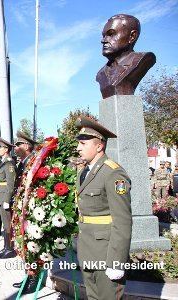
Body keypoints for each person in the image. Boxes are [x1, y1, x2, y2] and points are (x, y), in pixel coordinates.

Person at [75, 116, 132, 300]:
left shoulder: (113, 172)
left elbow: (122, 221)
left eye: (83, 144)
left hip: (106, 253)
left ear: (99, 146)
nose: (78, 148)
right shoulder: (85, 171)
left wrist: (116, 262)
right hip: (88, 249)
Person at [96, 14, 156, 99]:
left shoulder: (144, 59)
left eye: (111, 34)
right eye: (104, 35)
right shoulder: (101, 74)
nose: (103, 40)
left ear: (132, 36)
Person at [11, 132, 38, 293]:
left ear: (27, 146)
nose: (15, 147)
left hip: (30, 212)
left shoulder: (34, 163)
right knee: (24, 245)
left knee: (31, 246)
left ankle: (33, 279)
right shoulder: (24, 162)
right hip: (22, 210)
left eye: (18, 145)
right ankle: (28, 275)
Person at [0, 138, 17, 259]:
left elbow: (10, 183)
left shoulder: (9, 163)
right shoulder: (3, 161)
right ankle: (5, 246)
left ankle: (10, 249)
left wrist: (7, 200)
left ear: (6, 149)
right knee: (5, 223)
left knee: (8, 223)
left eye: (0, 147)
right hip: (1, 195)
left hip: (5, 196)